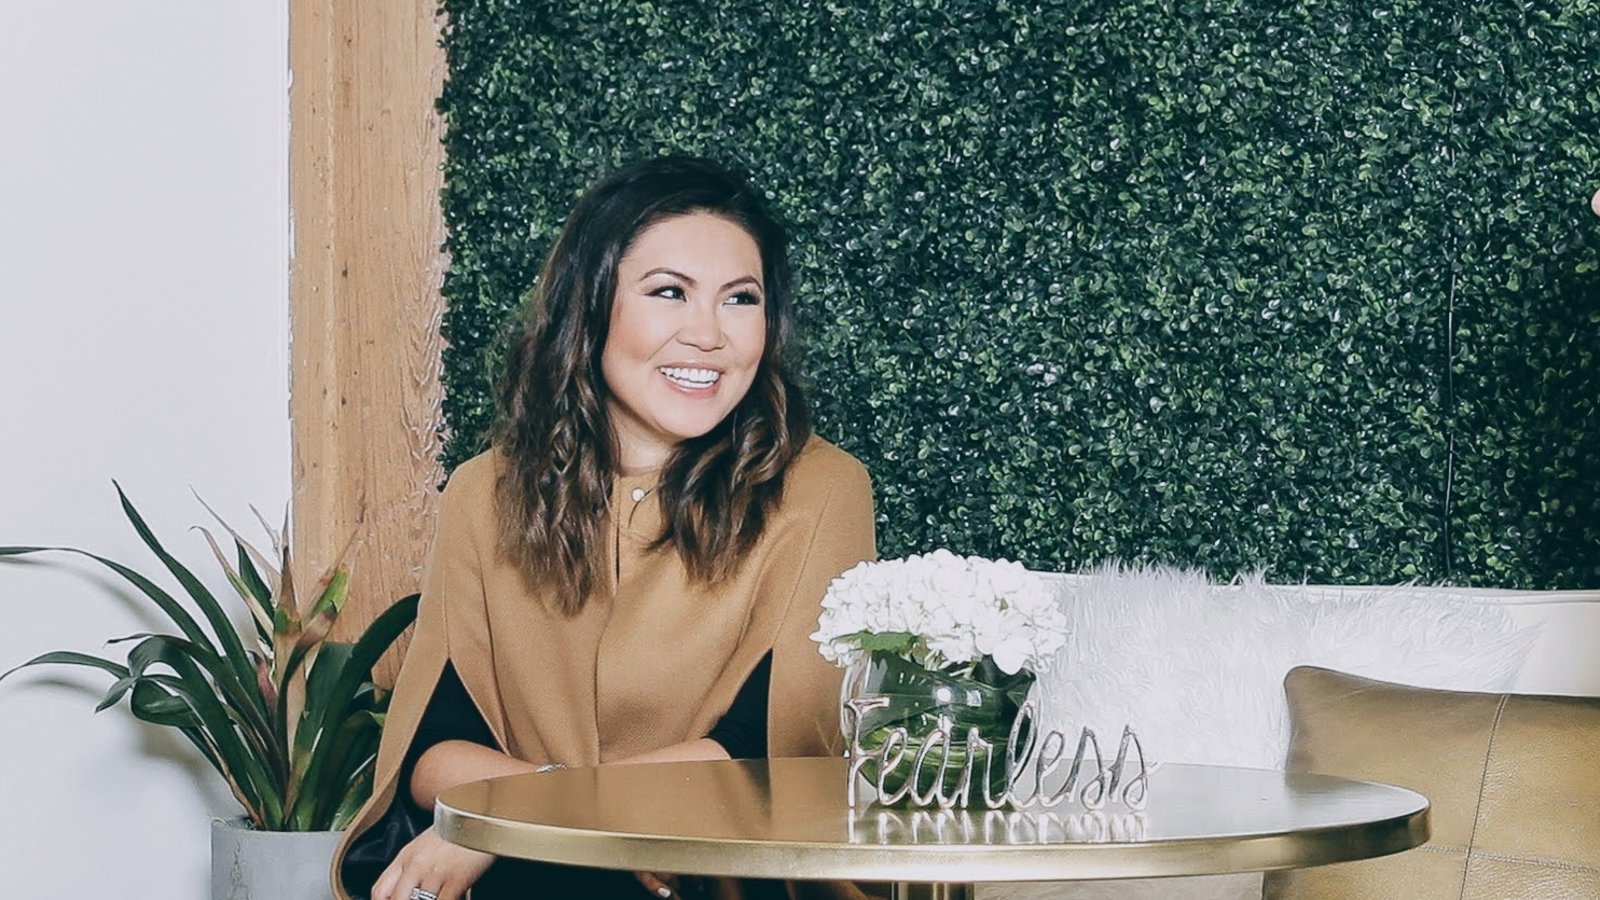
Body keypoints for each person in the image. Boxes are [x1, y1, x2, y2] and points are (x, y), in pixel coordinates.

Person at [331, 156, 877, 900]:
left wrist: (510, 822)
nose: (708, 334)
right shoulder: (483, 492)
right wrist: (564, 814)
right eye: (668, 292)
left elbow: (769, 751)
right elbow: (432, 754)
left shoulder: (821, 488)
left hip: (719, 874)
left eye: (740, 299)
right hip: (526, 869)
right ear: (593, 308)